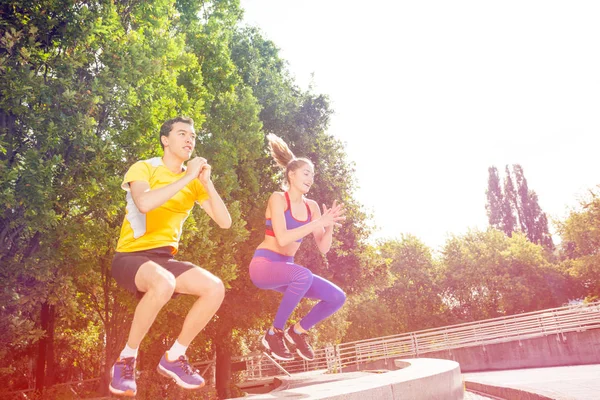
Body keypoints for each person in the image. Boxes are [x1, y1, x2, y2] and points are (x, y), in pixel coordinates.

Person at [109, 117, 231, 397]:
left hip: (164, 259)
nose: (190, 139)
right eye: (182, 134)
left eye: (193, 136)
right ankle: (126, 359)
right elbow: (145, 202)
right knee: (163, 282)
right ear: (165, 140)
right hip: (130, 256)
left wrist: (206, 182)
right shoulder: (144, 168)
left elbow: (224, 221)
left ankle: (175, 357)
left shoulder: (195, 183)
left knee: (214, 288)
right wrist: (187, 176)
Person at [249, 133, 347, 362]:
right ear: (291, 175)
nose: (311, 178)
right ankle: (274, 333)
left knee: (337, 297)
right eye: (306, 173)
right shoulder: (278, 199)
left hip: (288, 271)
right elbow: (282, 238)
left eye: (313, 174)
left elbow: (323, 248)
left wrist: (329, 225)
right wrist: (318, 222)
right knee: (303, 275)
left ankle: (298, 332)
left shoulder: (311, 206)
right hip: (264, 265)